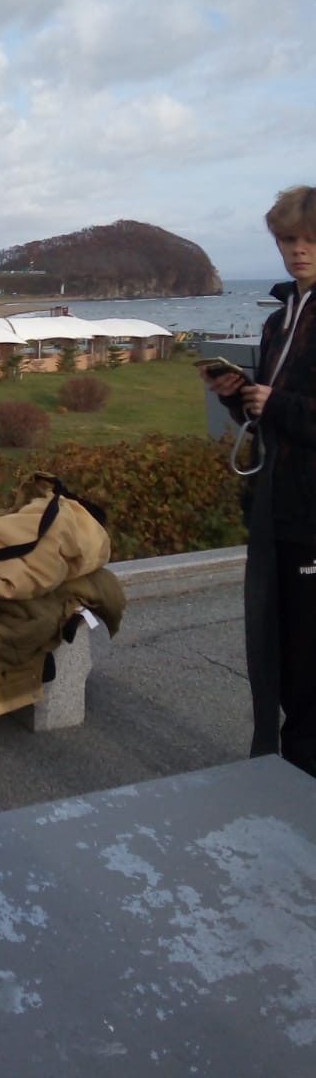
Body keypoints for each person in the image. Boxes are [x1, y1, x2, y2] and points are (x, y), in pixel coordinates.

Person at [202, 186, 316, 777]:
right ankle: (287, 773)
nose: (299, 250)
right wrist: (238, 399)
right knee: (281, 649)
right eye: (288, 239)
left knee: (307, 656)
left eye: (310, 239)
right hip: (277, 508)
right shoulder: (277, 323)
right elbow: (266, 416)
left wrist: (282, 405)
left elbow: (292, 410)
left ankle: (301, 778)